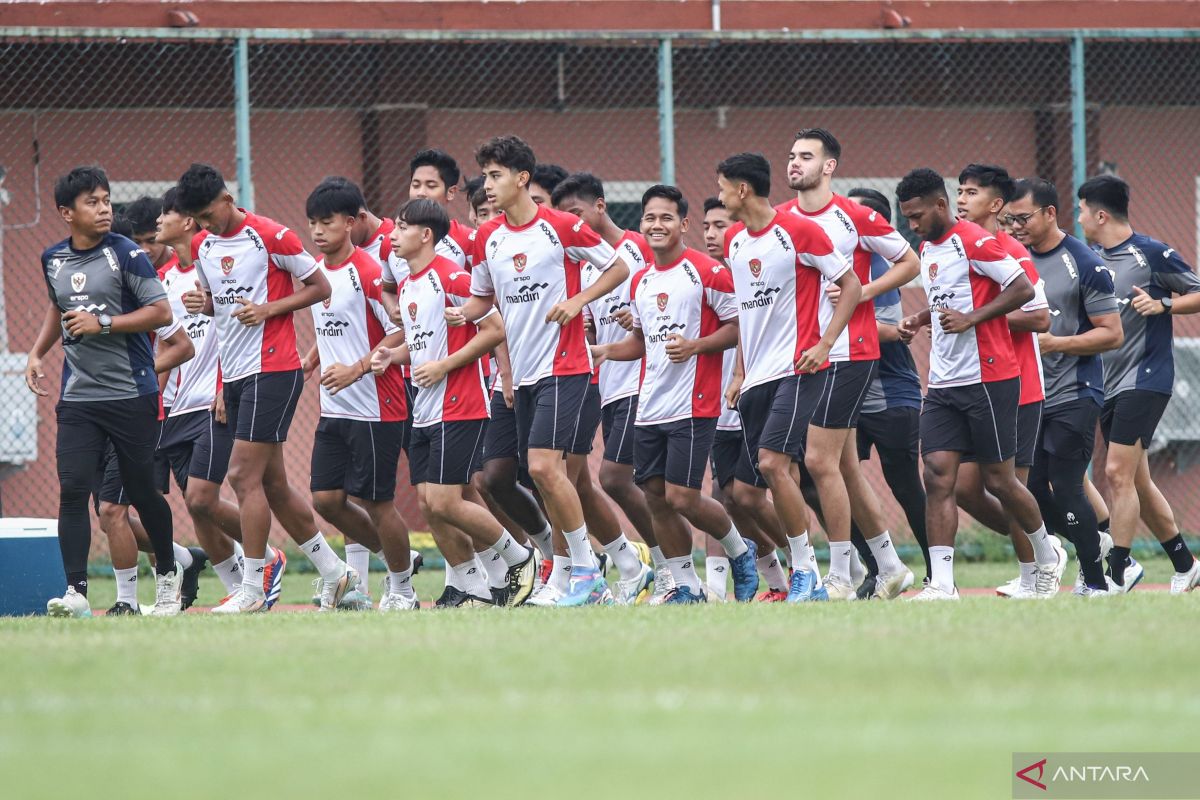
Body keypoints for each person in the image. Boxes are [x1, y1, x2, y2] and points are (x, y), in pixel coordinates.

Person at [452, 135, 631, 607]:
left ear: (522, 179)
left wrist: (578, 301)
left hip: (565, 366)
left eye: (496, 176)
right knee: (541, 477)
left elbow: (619, 268)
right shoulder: (486, 239)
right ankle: (565, 576)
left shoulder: (561, 228)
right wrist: (459, 313)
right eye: (486, 176)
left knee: (544, 468)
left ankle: (589, 573)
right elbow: (481, 298)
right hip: (525, 373)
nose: (488, 186)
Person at [176, 162, 359, 613]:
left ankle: (254, 590)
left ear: (226, 199)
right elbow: (219, 308)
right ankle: (337, 574)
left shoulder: (273, 235)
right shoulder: (202, 244)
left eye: (208, 214)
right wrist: (204, 303)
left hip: (274, 370)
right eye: (197, 219)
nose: (204, 225)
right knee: (273, 486)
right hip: (234, 376)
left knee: (241, 477)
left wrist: (270, 309)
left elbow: (319, 288)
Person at [895, 168, 1054, 601]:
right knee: (938, 477)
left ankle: (1046, 551)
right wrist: (921, 317)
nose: (912, 225)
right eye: (906, 218)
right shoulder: (928, 248)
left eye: (916, 215)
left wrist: (974, 319)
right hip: (944, 383)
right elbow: (950, 298)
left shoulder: (975, 241)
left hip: (991, 377)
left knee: (1001, 482)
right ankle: (942, 584)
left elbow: (1021, 290)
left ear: (939, 206)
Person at [29, 166, 181, 618]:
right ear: (66, 212)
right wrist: (38, 353)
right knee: (73, 491)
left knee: (139, 491)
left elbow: (161, 312)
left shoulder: (127, 254)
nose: (104, 209)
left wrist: (106, 323)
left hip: (131, 393)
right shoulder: (53, 259)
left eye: (106, 200)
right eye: (92, 202)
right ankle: (76, 593)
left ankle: (169, 575)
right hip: (78, 398)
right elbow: (59, 309)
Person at [593, 184, 753, 604]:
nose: (656, 225)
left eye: (666, 217)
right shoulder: (642, 279)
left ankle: (739, 549)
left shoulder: (706, 271)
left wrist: (696, 346)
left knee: (682, 496)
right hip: (650, 405)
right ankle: (686, 586)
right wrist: (606, 350)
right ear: (641, 224)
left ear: (683, 224)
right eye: (649, 218)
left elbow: (739, 328)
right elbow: (643, 344)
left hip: (694, 403)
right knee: (656, 498)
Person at [777, 128, 918, 601]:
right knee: (843, 467)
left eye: (806, 156)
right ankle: (891, 565)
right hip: (803, 355)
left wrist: (864, 293)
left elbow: (909, 262)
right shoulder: (780, 219)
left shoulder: (855, 215)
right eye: (792, 156)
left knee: (818, 460)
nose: (795, 163)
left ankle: (842, 573)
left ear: (829, 166)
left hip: (849, 351)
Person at [373, 198, 536, 607]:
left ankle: (521, 559)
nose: (392, 235)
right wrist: (394, 356)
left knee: (446, 500)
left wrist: (445, 366)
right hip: (425, 406)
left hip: (460, 405)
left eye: (402, 227)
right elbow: (424, 342)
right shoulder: (409, 283)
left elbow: (495, 330)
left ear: (425, 235)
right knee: (431, 504)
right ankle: (473, 587)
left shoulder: (453, 278)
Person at [717, 152, 859, 603]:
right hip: (756, 377)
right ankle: (787, 574)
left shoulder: (798, 230)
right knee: (743, 493)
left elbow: (850, 284)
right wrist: (739, 371)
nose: (719, 197)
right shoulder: (735, 240)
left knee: (774, 464)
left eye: (723, 188)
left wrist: (824, 343)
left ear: (742, 190)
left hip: (797, 369)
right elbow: (744, 311)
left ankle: (807, 572)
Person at [301, 178, 420, 611]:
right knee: (326, 499)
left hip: (377, 406)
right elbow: (336, 325)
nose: (318, 230)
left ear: (350, 223)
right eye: (312, 222)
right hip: (334, 408)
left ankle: (402, 589)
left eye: (327, 222)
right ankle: (403, 558)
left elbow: (399, 329)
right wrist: (311, 359)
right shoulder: (317, 272)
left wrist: (355, 369)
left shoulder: (368, 273)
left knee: (376, 501)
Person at [1079, 174, 1200, 594]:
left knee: (1115, 473)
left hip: (1146, 378)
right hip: (1108, 383)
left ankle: (1118, 570)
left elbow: (1197, 292)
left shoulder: (1151, 253)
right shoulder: (1090, 257)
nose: (1079, 219)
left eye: (1081, 211)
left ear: (1100, 214)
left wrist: (1163, 302)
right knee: (1137, 481)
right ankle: (1186, 563)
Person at [1004, 177, 1122, 596]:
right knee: (1030, 489)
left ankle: (1095, 582)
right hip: (1029, 394)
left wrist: (1057, 342)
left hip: (1075, 391)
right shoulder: (1010, 259)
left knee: (1067, 485)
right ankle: (1091, 546)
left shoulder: (1084, 263)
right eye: (1009, 219)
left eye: (1023, 218)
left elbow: (1112, 333)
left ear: (1050, 213)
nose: (1014, 226)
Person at [951, 166, 1063, 598]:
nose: (961, 198)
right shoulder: (951, 247)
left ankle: (1036, 572)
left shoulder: (1010, 250)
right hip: (969, 383)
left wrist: (978, 319)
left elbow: (1039, 316)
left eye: (971, 192)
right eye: (959, 191)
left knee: (1008, 482)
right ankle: (1043, 545)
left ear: (995, 204)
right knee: (963, 486)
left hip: (1015, 383)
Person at [551, 172, 659, 604]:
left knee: (618, 478)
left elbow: (667, 300)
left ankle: (674, 566)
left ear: (600, 206)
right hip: (602, 382)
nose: (570, 223)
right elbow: (593, 320)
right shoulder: (582, 263)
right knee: (579, 480)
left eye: (575, 213)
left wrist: (642, 322)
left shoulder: (636, 248)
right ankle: (633, 564)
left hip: (644, 379)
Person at [156, 187, 258, 606]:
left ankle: (265, 562)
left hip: (210, 403)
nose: (158, 222)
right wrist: (155, 402)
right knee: (198, 507)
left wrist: (222, 388)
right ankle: (237, 590)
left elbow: (230, 331)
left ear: (187, 222)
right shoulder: (164, 279)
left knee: (203, 497)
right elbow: (165, 345)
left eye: (166, 214)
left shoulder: (215, 263)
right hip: (175, 409)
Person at [845, 187, 932, 590]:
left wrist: (836, 319)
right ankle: (878, 567)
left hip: (890, 393)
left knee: (904, 483)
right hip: (847, 394)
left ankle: (939, 571)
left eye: (861, 216)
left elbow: (890, 333)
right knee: (827, 477)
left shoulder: (881, 268)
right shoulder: (840, 263)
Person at [701, 196, 780, 601]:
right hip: (717, 407)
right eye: (708, 226)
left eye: (721, 225)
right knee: (726, 496)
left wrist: (740, 373)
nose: (714, 234)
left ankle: (811, 566)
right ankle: (723, 586)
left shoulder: (759, 270)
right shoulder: (702, 277)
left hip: (761, 395)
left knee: (753, 495)